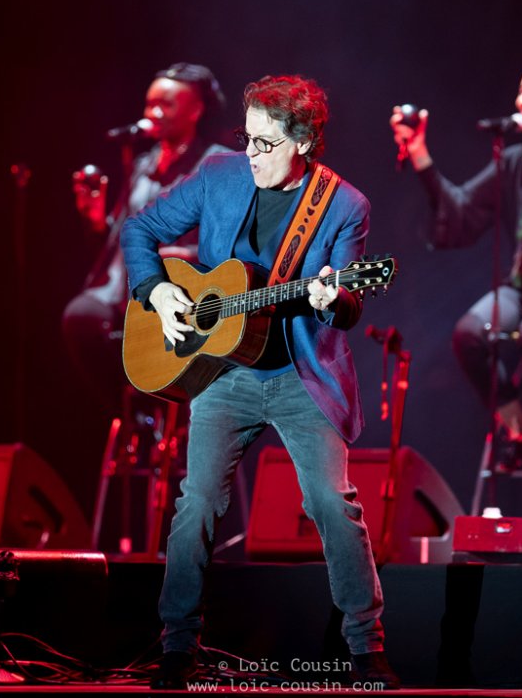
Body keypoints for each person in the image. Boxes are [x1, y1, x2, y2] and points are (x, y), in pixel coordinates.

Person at [121, 74, 400, 690]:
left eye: (265, 144)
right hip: (224, 371)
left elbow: (349, 303)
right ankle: (176, 648)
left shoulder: (344, 205)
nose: (250, 155)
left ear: (302, 141)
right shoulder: (221, 174)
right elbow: (138, 231)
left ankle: (365, 649)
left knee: (331, 502)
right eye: (246, 140)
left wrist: (331, 298)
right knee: (196, 502)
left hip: (303, 374)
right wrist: (159, 290)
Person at [389, 60, 522, 473]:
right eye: (520, 91)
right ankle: (517, 432)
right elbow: (462, 208)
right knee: (468, 333)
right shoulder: (516, 159)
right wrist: (420, 154)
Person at [62, 63, 228, 416]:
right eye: (149, 103)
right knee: (81, 318)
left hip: (184, 288)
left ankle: (158, 404)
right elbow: (118, 243)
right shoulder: (142, 164)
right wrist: (95, 220)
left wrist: (187, 252)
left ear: (195, 110)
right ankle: (131, 415)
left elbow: (235, 238)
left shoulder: (214, 165)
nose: (153, 113)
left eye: (166, 105)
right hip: (127, 290)